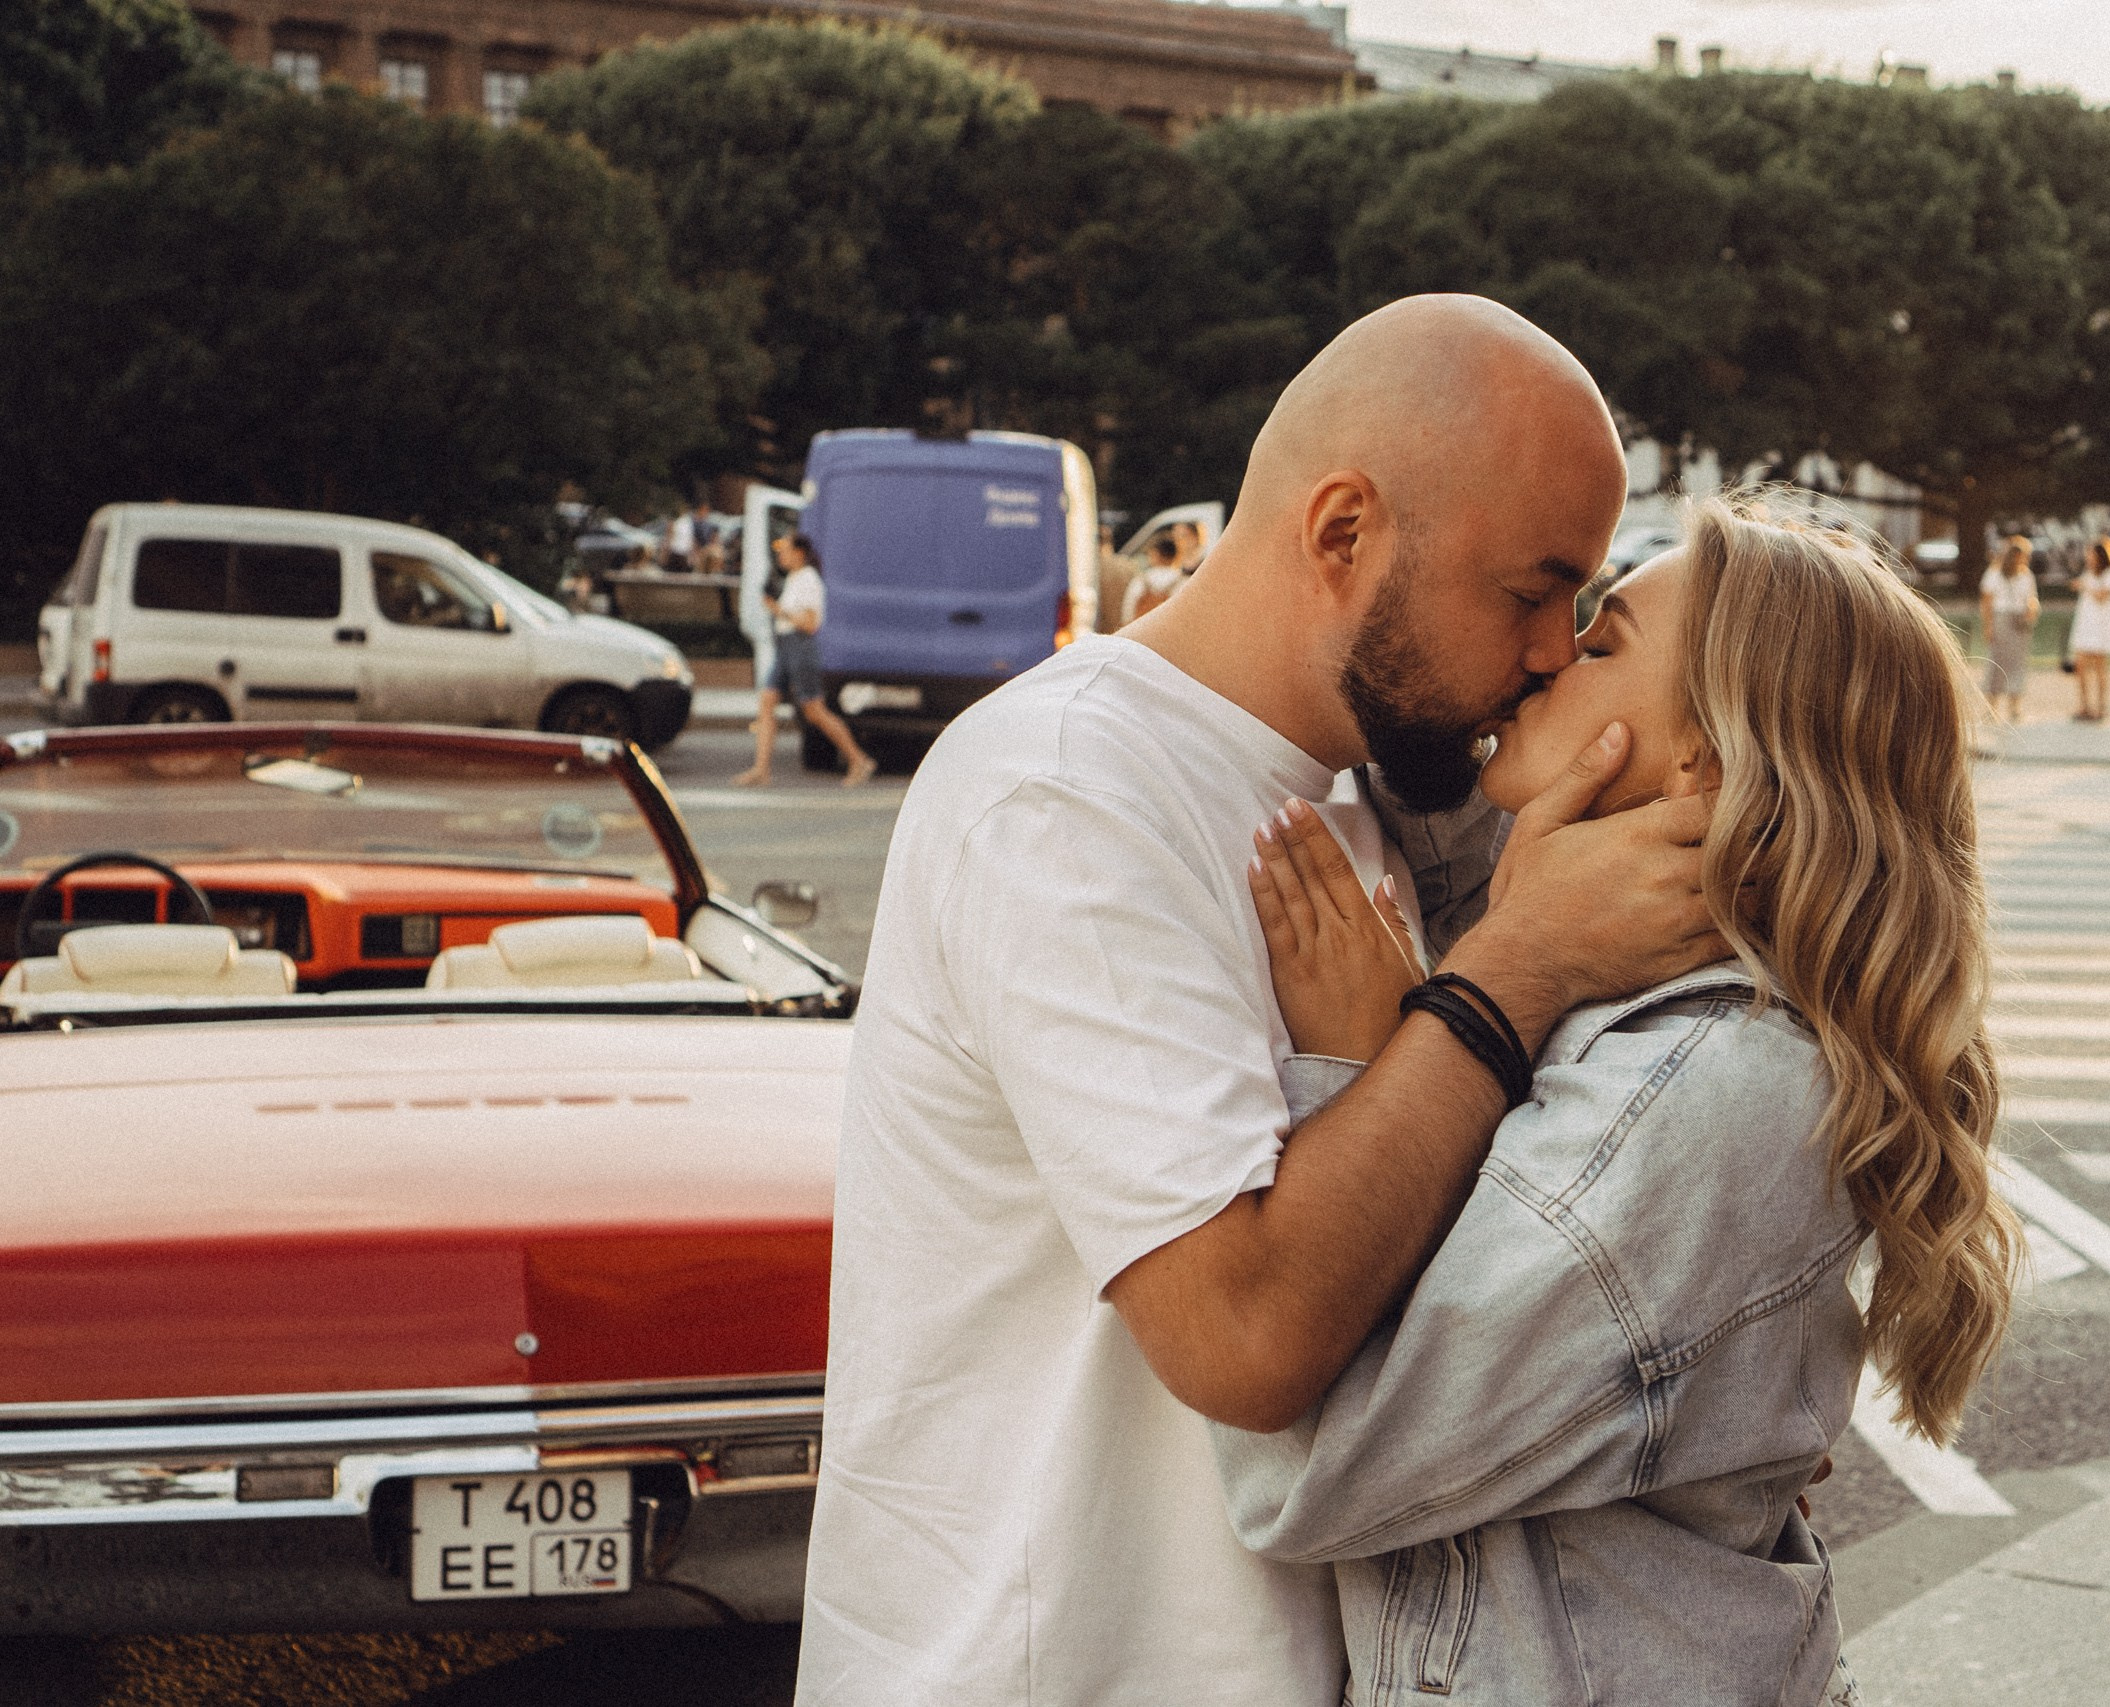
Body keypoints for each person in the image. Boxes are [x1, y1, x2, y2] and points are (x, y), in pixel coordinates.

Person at [796, 296, 1727, 1707]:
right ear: (1344, 531)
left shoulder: (1364, 789)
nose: (1552, 649)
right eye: (1527, 592)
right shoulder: (1067, 790)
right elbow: (1243, 1336)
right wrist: (1514, 970)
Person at [1213, 497, 2017, 1707]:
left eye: (1599, 644)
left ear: (1700, 759)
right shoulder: (1645, 1011)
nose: (1547, 658)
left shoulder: (1700, 1097)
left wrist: (1365, 1066)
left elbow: (1313, 1470)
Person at [731, 531, 875, 788]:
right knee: (767, 702)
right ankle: (761, 769)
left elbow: (810, 624)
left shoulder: (809, 580)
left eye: (785, 550)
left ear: (799, 553)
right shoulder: (793, 578)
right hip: (785, 647)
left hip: (801, 648)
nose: (780, 555)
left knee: (814, 711)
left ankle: (859, 760)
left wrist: (778, 610)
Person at [1978, 533, 2039, 723]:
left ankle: (2015, 706)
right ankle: (1991, 707)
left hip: (2020, 619)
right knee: (1997, 662)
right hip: (2002, 618)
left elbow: (2032, 598)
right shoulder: (1995, 573)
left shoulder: (2026, 575)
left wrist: (2031, 609)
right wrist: (1988, 626)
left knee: (2017, 663)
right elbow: (1986, 601)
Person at [2068, 538, 2110, 720]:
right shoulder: (2089, 573)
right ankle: (2085, 706)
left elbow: (2102, 596)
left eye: (2091, 554)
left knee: (2100, 667)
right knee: (2081, 666)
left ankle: (2101, 707)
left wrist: (2084, 586)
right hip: (2086, 624)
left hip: (2102, 627)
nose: (2088, 557)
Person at [1121, 531, 1188, 625]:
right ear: (1177, 555)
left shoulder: (1140, 581)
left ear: (1154, 554)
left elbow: (1127, 617)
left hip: (1143, 631)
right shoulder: (1185, 582)